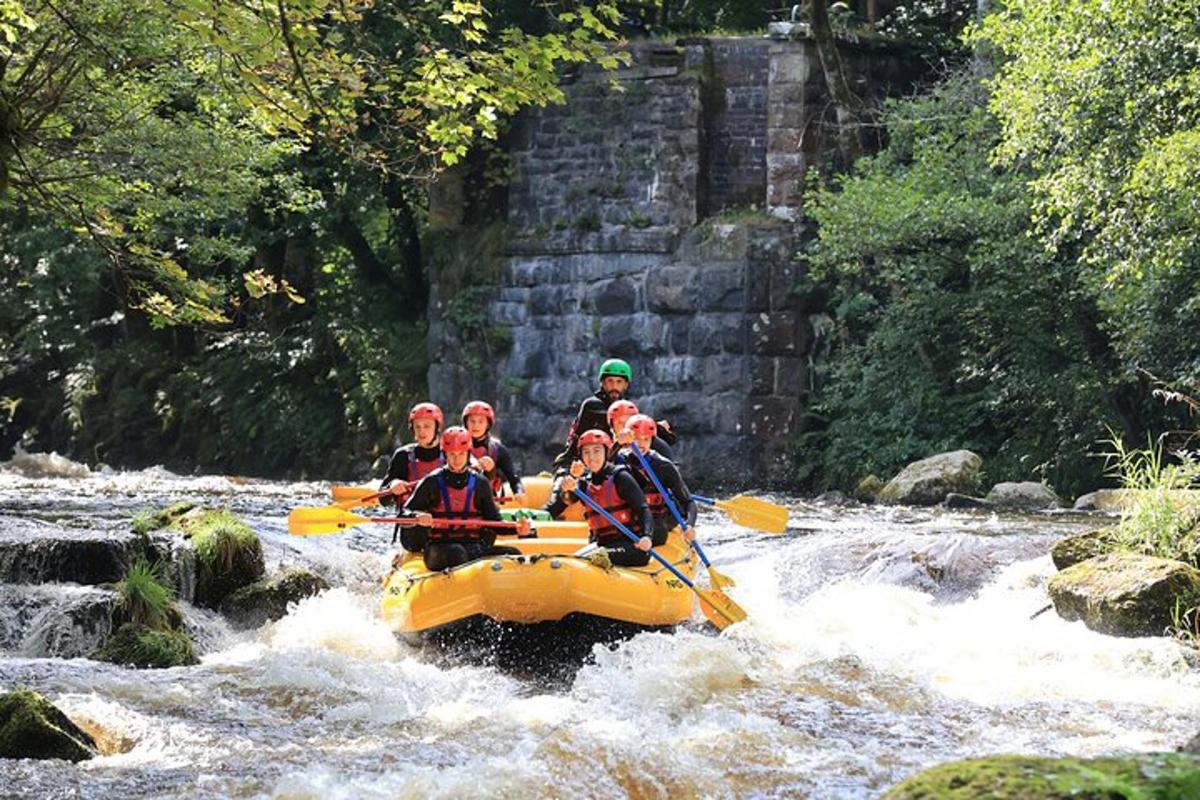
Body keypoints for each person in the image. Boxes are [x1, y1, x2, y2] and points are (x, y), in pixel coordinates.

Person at [401, 426, 531, 571]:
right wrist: (416, 516)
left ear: (468, 454)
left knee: (514, 554)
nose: (457, 460)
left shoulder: (481, 483)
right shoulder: (431, 481)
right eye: (452, 454)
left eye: (461, 454)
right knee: (457, 554)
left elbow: (494, 522)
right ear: (445, 454)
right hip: (439, 548)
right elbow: (404, 513)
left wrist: (516, 529)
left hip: (474, 546)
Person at [561, 429, 662, 568]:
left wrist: (647, 536)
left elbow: (643, 509)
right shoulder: (584, 482)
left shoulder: (620, 477)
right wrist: (571, 481)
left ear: (606, 452)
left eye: (596, 451)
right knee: (575, 561)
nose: (591, 457)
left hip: (632, 546)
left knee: (590, 558)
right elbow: (568, 499)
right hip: (603, 544)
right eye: (586, 452)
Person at [552, 358, 677, 469]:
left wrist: (657, 428)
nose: (614, 386)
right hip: (594, 457)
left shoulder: (627, 406)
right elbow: (579, 436)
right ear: (602, 383)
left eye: (619, 382)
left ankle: (670, 476)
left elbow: (638, 427)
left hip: (621, 456)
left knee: (654, 443)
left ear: (626, 385)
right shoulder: (592, 405)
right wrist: (568, 458)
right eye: (610, 381)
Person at [615, 414, 697, 541]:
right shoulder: (620, 457)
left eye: (646, 439)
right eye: (636, 439)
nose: (641, 444)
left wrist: (689, 525)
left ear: (652, 440)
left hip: (656, 524)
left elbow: (688, 502)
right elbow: (602, 468)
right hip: (628, 520)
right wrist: (616, 443)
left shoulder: (663, 465)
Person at [379, 402, 445, 507]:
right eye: (417, 427)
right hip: (410, 519)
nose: (421, 431)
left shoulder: (452, 454)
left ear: (437, 428)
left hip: (443, 519)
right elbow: (382, 500)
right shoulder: (403, 456)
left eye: (427, 426)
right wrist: (393, 485)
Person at [461, 400, 524, 500]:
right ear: (466, 423)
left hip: (488, 502)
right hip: (458, 500)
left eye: (481, 421)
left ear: (488, 424)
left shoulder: (498, 449)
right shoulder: (454, 446)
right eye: (472, 421)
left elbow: (514, 478)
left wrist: (519, 492)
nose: (476, 425)